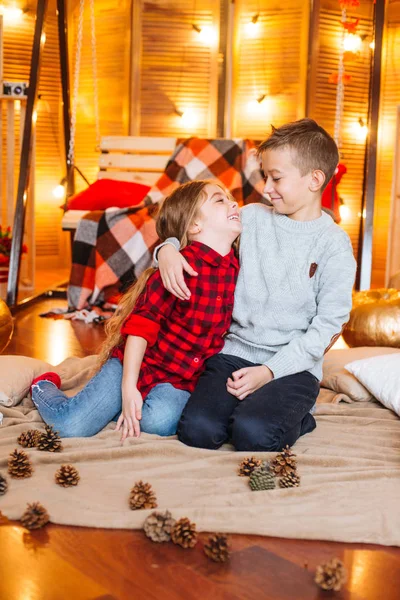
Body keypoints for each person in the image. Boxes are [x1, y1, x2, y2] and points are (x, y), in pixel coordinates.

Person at [155, 118, 357, 452]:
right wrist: (167, 250)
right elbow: (191, 232)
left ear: (314, 180)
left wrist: (269, 371)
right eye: (265, 176)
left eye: (276, 178)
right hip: (234, 354)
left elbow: (328, 326)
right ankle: (256, 408)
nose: (266, 188)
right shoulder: (251, 219)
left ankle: (301, 416)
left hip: (292, 367)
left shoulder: (333, 243)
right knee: (197, 431)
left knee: (253, 434)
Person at [30, 180, 241, 441]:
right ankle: (43, 386)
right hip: (137, 364)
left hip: (180, 378)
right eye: (220, 200)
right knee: (71, 426)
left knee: (158, 423)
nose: (233, 203)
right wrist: (128, 389)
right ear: (195, 225)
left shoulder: (238, 268)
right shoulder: (177, 268)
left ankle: (119, 402)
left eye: (231, 198)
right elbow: (140, 330)